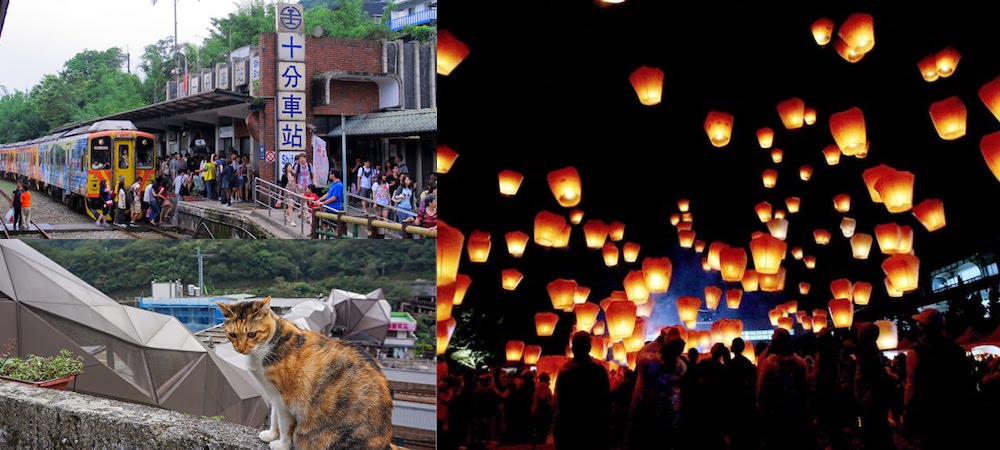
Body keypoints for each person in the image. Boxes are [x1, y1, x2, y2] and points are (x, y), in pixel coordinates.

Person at [904, 308, 977, 450]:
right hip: (954, 409)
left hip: (929, 411)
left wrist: (908, 410)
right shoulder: (956, 349)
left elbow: (911, 386)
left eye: (919, 324)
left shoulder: (915, 353)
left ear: (923, 328)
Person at [554, 331, 611, 450]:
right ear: (589, 347)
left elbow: (559, 401)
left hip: (571, 426)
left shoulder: (566, 370)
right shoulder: (598, 370)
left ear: (573, 347)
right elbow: (605, 399)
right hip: (593, 425)